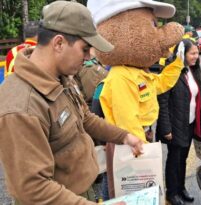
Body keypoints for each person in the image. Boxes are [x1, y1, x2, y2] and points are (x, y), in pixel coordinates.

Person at [0, 2, 143, 204]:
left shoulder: (61, 78)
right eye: (85, 49)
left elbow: (85, 118)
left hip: (82, 193)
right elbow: (32, 189)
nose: (87, 58)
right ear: (58, 43)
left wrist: (125, 137)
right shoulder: (22, 106)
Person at [156, 39, 201, 205]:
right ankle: (172, 192)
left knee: (182, 158)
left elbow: (197, 98)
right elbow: (162, 101)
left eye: (197, 53)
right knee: (174, 159)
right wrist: (166, 128)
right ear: (181, 54)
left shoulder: (192, 70)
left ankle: (181, 188)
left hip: (189, 122)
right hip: (175, 124)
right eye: (192, 53)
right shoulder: (171, 70)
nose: (196, 57)